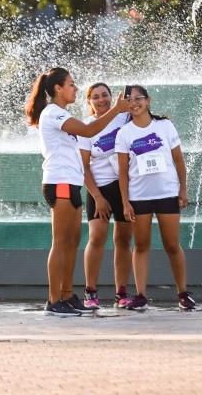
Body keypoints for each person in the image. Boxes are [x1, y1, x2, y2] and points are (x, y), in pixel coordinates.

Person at [25, 68, 129, 316]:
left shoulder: (62, 113)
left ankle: (67, 295)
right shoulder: (52, 113)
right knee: (60, 243)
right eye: (71, 84)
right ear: (58, 89)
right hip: (58, 181)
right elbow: (89, 131)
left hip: (71, 182)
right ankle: (53, 300)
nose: (75, 88)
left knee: (72, 242)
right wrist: (115, 110)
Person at [115, 85, 195, 311]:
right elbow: (122, 172)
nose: (134, 103)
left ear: (148, 101)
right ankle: (140, 295)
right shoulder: (124, 133)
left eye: (138, 98)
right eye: (129, 100)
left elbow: (178, 160)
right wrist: (125, 201)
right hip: (139, 196)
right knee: (141, 245)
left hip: (167, 193)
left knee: (172, 244)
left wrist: (183, 189)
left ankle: (182, 293)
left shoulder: (165, 126)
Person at [78, 83, 133, 309]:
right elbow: (83, 167)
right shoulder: (86, 127)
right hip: (99, 188)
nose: (102, 100)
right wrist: (98, 197)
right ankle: (90, 291)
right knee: (97, 237)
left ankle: (121, 293)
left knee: (123, 240)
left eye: (105, 95)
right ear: (89, 101)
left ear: (112, 97)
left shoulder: (124, 118)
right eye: (96, 97)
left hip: (125, 189)